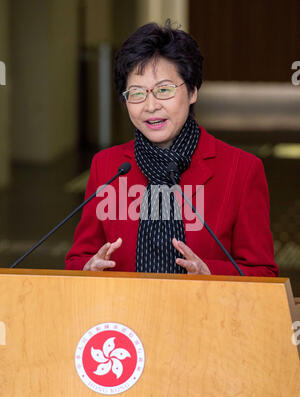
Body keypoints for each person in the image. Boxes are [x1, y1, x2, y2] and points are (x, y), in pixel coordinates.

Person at [65, 21, 279, 277]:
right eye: (136, 93)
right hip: (125, 314)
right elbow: (78, 258)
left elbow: (263, 273)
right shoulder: (107, 166)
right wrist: (88, 267)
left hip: (205, 314)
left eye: (164, 90)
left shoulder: (241, 169)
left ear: (192, 91)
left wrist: (212, 273)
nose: (151, 105)